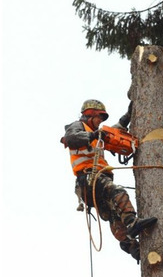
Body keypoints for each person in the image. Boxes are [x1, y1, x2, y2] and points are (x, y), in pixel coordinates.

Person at [61, 99, 157, 262]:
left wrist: (127, 117)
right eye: (99, 117)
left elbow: (113, 133)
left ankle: (131, 245)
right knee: (117, 192)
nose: (100, 122)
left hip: (93, 183)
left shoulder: (96, 134)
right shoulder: (78, 128)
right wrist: (93, 134)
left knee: (114, 216)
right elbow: (70, 138)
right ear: (89, 115)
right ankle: (132, 222)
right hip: (89, 178)